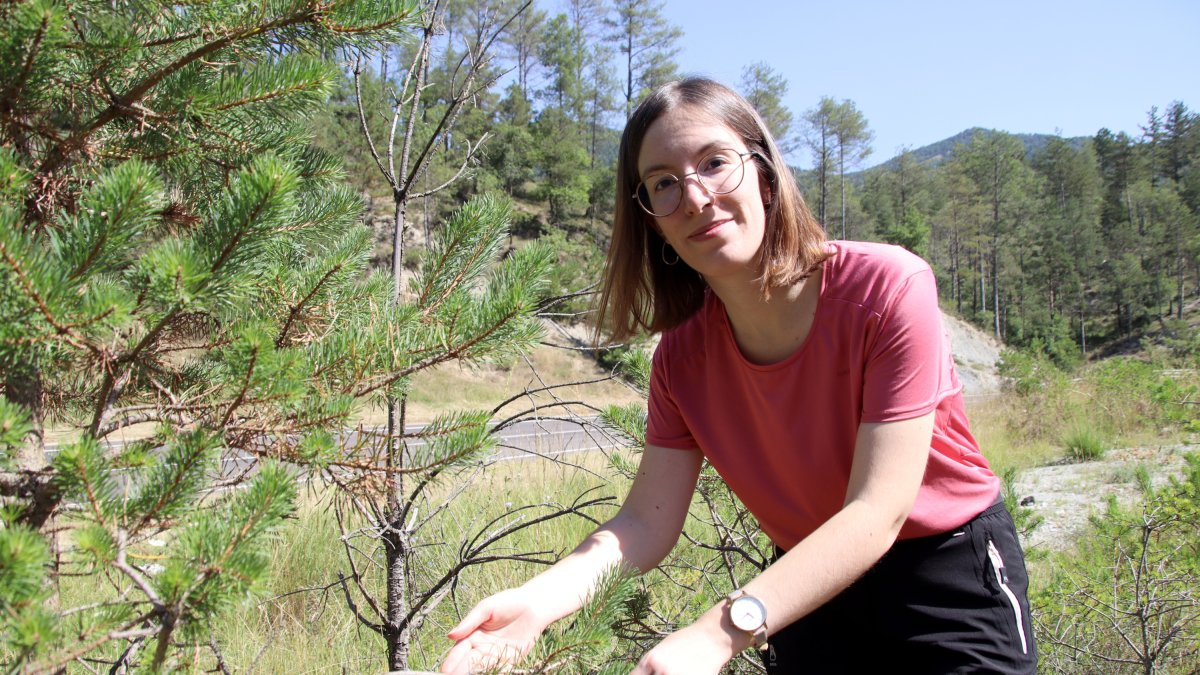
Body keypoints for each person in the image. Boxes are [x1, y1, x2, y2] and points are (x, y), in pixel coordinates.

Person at [441, 77, 1036, 674]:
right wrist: (539, 601)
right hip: (806, 584)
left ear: (766, 175)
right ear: (652, 221)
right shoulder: (681, 359)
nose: (695, 197)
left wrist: (721, 630)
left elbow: (877, 511)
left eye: (715, 163)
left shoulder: (886, 287)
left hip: (945, 569)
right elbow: (644, 522)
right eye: (664, 184)